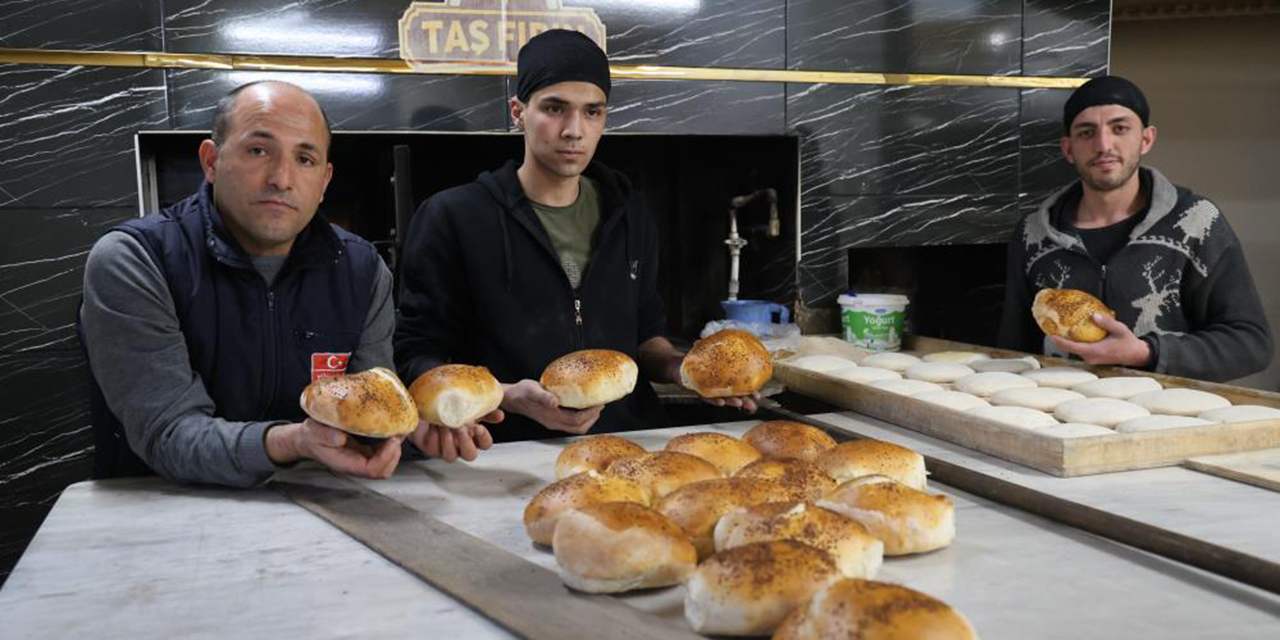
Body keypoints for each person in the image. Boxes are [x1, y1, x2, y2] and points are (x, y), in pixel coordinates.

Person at [79, 81, 495, 488]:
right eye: (258, 150)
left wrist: (409, 433)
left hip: (320, 511)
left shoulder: (361, 270)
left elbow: (369, 407)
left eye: (305, 159)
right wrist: (293, 441)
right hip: (162, 515)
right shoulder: (135, 260)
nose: (281, 178)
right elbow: (168, 432)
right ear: (211, 161)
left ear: (325, 180)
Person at [395, 30, 757, 443]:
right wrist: (506, 396)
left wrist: (686, 372)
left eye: (592, 112)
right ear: (518, 111)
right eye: (554, 108)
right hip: (503, 451)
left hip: (628, 445)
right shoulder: (453, 217)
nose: (574, 130)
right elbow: (415, 356)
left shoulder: (629, 212)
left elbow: (645, 338)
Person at [998, 75, 1272, 382]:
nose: (1103, 145)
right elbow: (1014, 349)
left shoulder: (1197, 222)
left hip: (1163, 420)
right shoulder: (1031, 233)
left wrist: (1148, 353)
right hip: (1059, 418)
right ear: (1068, 148)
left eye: (1120, 128)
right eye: (1086, 132)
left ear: (1146, 139)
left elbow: (1251, 344)